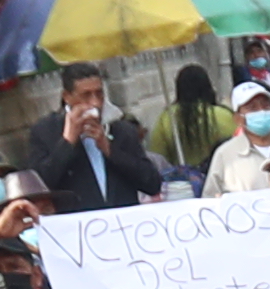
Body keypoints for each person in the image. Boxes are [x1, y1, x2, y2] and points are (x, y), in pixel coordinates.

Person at [18, 66, 164, 216]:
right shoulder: (45, 131)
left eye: (99, 94)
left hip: (124, 223)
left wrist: (110, 150)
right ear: (67, 97)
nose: (95, 103)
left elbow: (152, 184)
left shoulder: (121, 130)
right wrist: (68, 141)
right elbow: (39, 187)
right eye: (86, 95)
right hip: (78, 228)